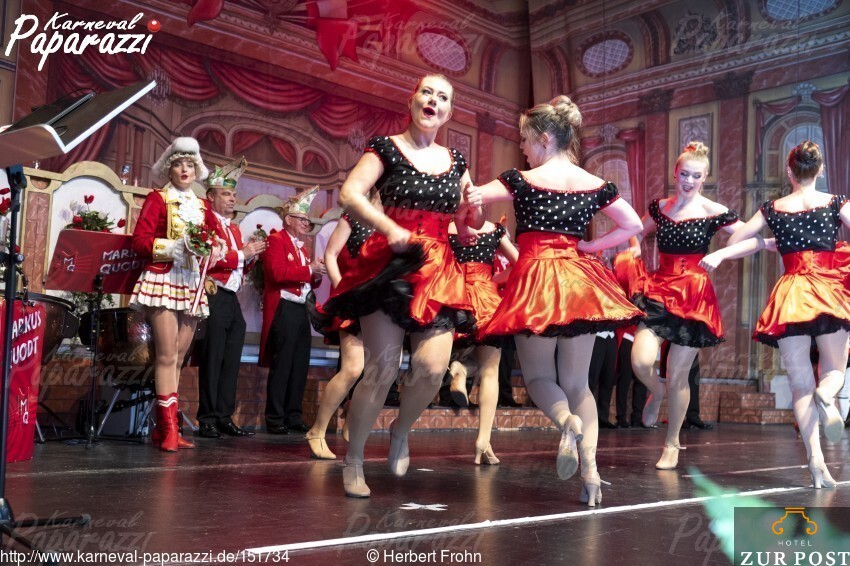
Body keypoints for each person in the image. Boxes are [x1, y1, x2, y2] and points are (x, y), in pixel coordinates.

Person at [467, 95, 644, 507]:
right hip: (580, 282)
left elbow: (474, 197)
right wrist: (592, 246)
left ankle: (566, 422)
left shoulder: (520, 179)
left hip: (536, 283)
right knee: (579, 384)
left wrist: (463, 188)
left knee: (539, 380)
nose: (523, 147)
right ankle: (591, 475)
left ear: (545, 139)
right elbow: (633, 224)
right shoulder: (593, 183)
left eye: (525, 139)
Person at [323, 74, 477, 498]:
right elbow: (350, 194)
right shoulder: (385, 148)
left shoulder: (457, 161)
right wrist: (388, 226)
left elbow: (468, 222)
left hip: (438, 268)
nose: (433, 100)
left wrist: (475, 212)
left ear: (448, 112)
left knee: (432, 370)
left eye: (442, 96)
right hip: (390, 264)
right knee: (381, 370)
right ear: (412, 101)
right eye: (427, 92)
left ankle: (400, 429)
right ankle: (354, 459)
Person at [703, 141, 850, 488]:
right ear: (820, 170)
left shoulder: (773, 208)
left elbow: (735, 240)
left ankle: (815, 462)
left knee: (800, 385)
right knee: (833, 369)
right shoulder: (836, 202)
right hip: (828, 289)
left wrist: (761, 244)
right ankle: (827, 394)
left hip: (792, 294)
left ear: (788, 171)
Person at [615, 142, 744, 470]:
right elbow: (635, 231)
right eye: (684, 174)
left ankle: (671, 442)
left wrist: (722, 253)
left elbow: (749, 236)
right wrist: (634, 248)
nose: (689, 180)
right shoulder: (660, 207)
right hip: (659, 288)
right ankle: (655, 392)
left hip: (694, 296)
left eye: (696, 176)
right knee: (640, 361)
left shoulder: (713, 210)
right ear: (675, 173)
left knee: (678, 376)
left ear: (705, 177)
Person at [130, 136, 217, 452]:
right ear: (169, 168)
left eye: (189, 165)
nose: (184, 169)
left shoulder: (202, 206)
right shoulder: (158, 199)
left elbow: (210, 241)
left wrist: (213, 251)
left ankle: (165, 428)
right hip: (163, 280)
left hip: (191, 283)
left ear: (196, 170)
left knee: (179, 358)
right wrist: (173, 248)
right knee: (166, 356)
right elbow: (139, 241)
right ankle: (168, 429)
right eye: (179, 164)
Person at [196, 157, 267, 438]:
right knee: (212, 358)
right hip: (213, 293)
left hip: (231, 297)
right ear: (211, 197)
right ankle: (207, 418)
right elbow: (206, 259)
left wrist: (250, 256)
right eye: (226, 193)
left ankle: (224, 415)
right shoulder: (204, 222)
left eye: (234, 194)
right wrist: (241, 254)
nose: (232, 198)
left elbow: (237, 265)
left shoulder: (234, 229)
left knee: (231, 358)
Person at [447, 218, 519, 464]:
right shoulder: (493, 229)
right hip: (486, 296)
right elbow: (520, 262)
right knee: (490, 370)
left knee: (460, 355)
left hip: (454, 295)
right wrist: (494, 279)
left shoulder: (447, 227)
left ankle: (460, 369)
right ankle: (483, 441)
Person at [304, 211, 374, 459]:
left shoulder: (396, 217)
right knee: (353, 368)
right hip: (353, 299)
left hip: (383, 303)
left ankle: (351, 420)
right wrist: (343, 290)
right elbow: (331, 255)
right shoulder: (354, 216)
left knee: (381, 372)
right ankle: (317, 430)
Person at [260, 188, 326, 435]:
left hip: (300, 310)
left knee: (299, 364)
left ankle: (293, 415)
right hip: (284, 308)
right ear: (288, 219)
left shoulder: (301, 248)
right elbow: (276, 274)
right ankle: (275, 417)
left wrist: (315, 273)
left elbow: (306, 280)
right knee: (283, 364)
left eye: (308, 220)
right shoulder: (276, 240)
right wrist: (309, 270)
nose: (306, 224)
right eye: (302, 219)